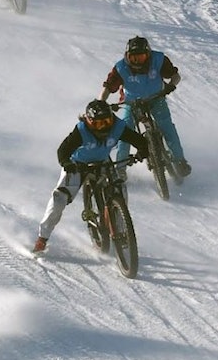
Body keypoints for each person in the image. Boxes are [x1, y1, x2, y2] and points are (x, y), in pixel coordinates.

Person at [32, 100, 149, 253]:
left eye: (107, 122)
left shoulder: (117, 127)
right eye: (99, 124)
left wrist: (142, 151)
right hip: (78, 165)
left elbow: (139, 141)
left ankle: (120, 228)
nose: (104, 127)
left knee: (120, 188)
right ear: (89, 121)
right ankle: (42, 238)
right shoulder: (81, 131)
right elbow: (63, 151)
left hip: (102, 162)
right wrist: (67, 163)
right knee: (60, 198)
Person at [99, 36, 189, 176]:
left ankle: (180, 161)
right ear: (127, 56)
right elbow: (108, 87)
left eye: (141, 58)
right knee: (125, 132)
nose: (137, 62)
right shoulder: (121, 68)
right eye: (133, 58)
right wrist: (101, 103)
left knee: (167, 127)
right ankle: (120, 170)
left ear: (148, 55)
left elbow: (175, 76)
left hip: (156, 99)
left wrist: (171, 85)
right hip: (131, 103)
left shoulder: (158, 60)